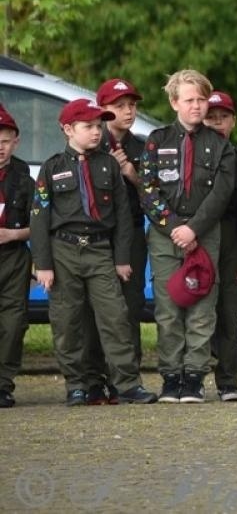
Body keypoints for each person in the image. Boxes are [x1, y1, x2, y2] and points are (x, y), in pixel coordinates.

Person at [30, 99, 159, 405]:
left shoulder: (108, 165)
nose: (96, 132)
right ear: (68, 129)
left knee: (115, 318)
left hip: (101, 249)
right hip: (64, 250)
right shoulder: (52, 168)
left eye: (98, 126)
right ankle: (78, 384)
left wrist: (122, 258)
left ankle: (126, 383)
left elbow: (123, 218)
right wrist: (43, 264)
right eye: (88, 127)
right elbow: (39, 219)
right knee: (68, 320)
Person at [140, 69, 237, 404]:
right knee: (168, 308)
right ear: (174, 102)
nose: (197, 107)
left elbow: (221, 194)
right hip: (165, 235)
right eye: (189, 100)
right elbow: (148, 191)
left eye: (201, 99)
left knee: (201, 307)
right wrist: (173, 228)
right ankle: (171, 377)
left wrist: (194, 229)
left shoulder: (220, 146)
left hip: (205, 234)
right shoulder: (157, 140)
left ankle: (194, 377)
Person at [87, 77, 147, 386]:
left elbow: (153, 195)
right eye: (119, 106)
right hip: (98, 236)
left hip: (132, 234)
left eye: (132, 106)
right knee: (96, 305)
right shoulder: (91, 144)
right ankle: (96, 376)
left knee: (129, 302)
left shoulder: (142, 146)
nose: (128, 111)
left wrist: (131, 173)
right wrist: (106, 169)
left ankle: (128, 373)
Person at [204, 90, 237, 401]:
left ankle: (228, 382)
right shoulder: (191, 154)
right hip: (198, 236)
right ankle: (190, 379)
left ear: (232, 121)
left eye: (222, 117)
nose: (216, 123)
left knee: (228, 309)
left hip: (231, 237)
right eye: (210, 117)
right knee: (198, 310)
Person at [0, 106, 31, 408]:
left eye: (5, 141)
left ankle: (3, 384)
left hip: (12, 256)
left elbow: (40, 224)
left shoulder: (24, 177)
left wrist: (13, 234)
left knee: (13, 321)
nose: (0, 147)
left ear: (15, 142)